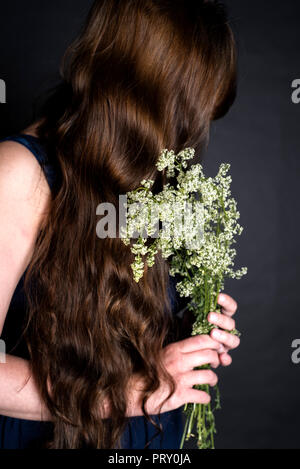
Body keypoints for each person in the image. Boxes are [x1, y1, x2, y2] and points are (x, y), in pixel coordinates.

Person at [0, 0, 240, 449]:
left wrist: (196, 338)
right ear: (142, 95)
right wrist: (127, 396)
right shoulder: (17, 173)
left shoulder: (149, 177)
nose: (189, 134)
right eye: (185, 113)